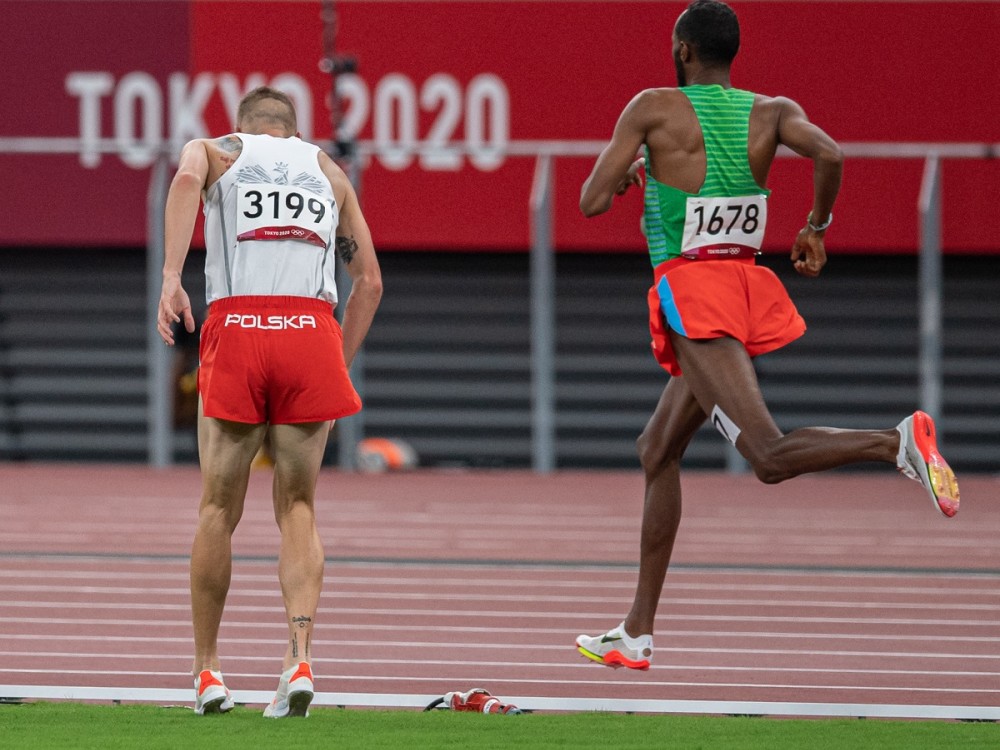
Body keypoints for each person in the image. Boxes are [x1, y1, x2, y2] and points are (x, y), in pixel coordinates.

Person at [574, 0, 959, 671]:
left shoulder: (652, 107)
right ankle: (635, 631)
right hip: (745, 287)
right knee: (657, 448)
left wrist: (637, 171)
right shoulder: (773, 111)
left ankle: (894, 442)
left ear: (684, 49)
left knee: (769, 457)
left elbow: (590, 200)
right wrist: (816, 224)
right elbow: (830, 153)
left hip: (695, 297)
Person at [156, 86, 382, 715]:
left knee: (217, 508)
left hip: (240, 326)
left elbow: (181, 183)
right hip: (312, 330)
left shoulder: (217, 149)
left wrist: (172, 278)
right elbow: (370, 282)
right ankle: (299, 658)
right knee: (299, 505)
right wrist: (334, 358)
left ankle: (208, 673)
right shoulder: (326, 169)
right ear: (291, 128)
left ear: (245, 125)